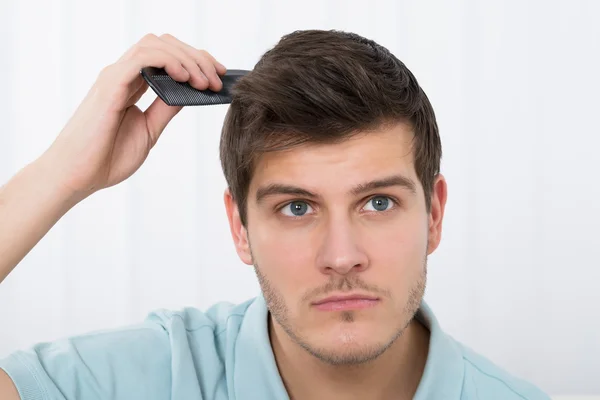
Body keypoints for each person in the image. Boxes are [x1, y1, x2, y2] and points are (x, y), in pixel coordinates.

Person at [0, 30, 550, 400]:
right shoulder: (156, 376)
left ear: (433, 216)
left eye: (378, 203)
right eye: (296, 207)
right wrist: (61, 174)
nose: (342, 257)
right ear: (240, 228)